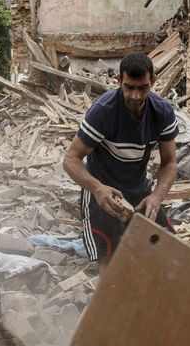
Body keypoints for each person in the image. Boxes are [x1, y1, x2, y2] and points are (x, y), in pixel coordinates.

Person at [63, 52, 179, 270]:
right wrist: (97, 189)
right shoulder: (103, 112)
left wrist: (156, 196)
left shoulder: (161, 112)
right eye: (129, 87)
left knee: (169, 251)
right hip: (101, 192)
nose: (135, 96)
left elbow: (170, 162)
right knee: (111, 263)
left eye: (142, 88)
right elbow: (71, 160)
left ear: (152, 82)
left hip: (139, 189)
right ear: (119, 81)